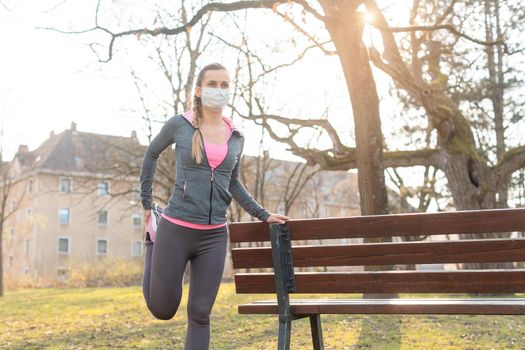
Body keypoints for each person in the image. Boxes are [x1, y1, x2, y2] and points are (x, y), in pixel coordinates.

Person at [139, 62, 290, 350]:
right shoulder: (180, 125)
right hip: (176, 229)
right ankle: (151, 240)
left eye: (224, 85)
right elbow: (151, 154)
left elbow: (232, 183)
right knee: (162, 309)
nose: (219, 90)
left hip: (213, 236)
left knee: (200, 315)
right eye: (212, 84)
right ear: (199, 90)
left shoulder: (236, 136)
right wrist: (147, 201)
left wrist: (263, 214)